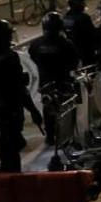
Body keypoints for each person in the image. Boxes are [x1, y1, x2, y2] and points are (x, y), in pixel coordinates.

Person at [0, 20, 43, 172]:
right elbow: (18, 88)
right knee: (11, 138)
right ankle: (11, 171)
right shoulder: (8, 57)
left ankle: (5, 163)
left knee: (5, 133)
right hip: (11, 102)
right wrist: (33, 110)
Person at [29, 12, 80, 143]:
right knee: (66, 109)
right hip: (63, 81)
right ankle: (65, 136)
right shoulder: (66, 44)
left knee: (48, 108)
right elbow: (74, 62)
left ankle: (50, 136)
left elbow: (33, 58)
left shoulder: (36, 44)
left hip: (45, 82)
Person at [64, 0, 97, 66]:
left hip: (71, 52)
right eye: (82, 2)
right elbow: (92, 35)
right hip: (85, 52)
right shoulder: (84, 18)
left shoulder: (66, 17)